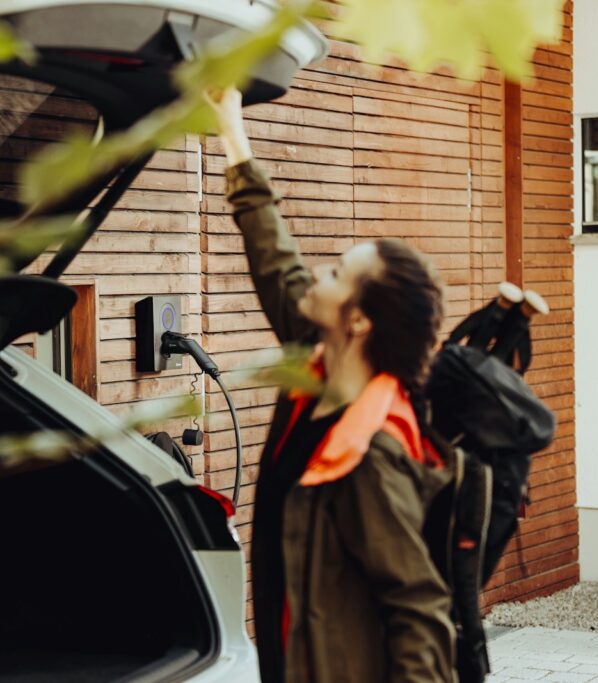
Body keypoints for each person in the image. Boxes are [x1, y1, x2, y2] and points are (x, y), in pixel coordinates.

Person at [207, 87, 457, 683]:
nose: (319, 272)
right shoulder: (316, 369)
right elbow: (277, 261)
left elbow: (419, 610)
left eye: (338, 273)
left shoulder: (369, 454)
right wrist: (231, 133)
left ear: (359, 320)